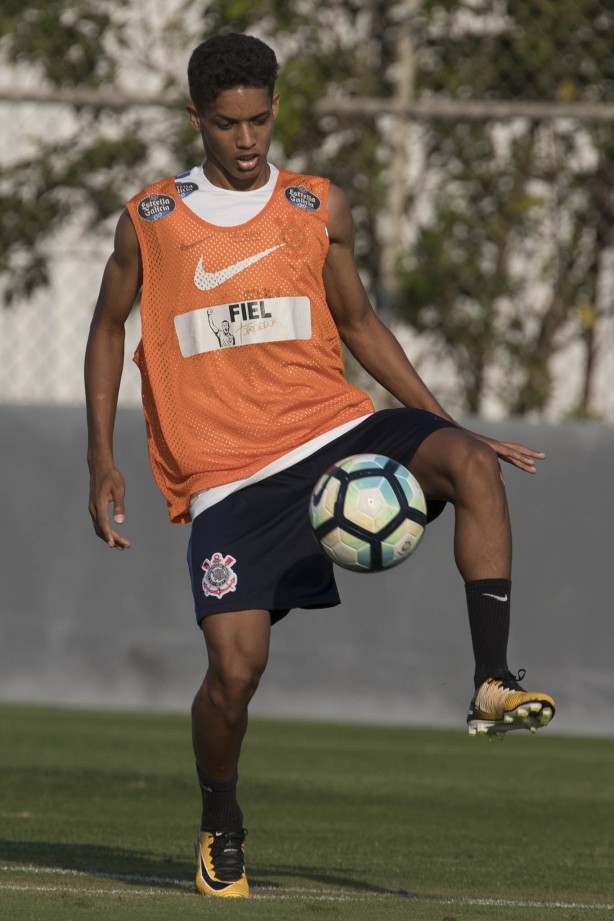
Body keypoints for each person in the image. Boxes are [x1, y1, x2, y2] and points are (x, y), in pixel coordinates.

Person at [85, 32, 556, 899]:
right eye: (228, 124)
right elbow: (109, 325)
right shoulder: (151, 220)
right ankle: (220, 819)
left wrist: (451, 425)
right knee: (234, 673)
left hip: (335, 435)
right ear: (197, 119)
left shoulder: (316, 207)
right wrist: (100, 459)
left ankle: (490, 681)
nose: (248, 139)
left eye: (261, 119)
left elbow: (363, 325)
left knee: (472, 467)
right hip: (228, 477)